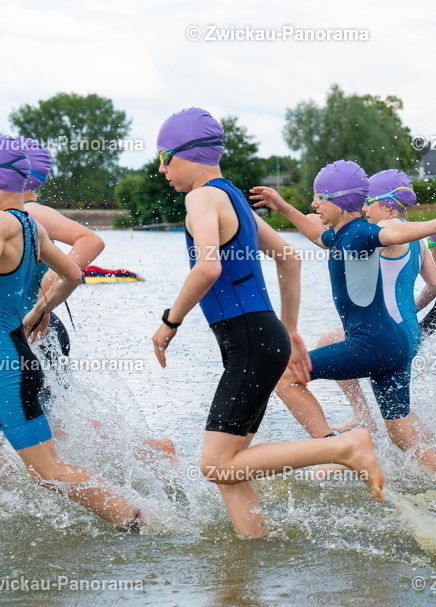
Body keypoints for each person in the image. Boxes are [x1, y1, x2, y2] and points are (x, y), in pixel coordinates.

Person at [150, 110, 383, 539]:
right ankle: (253, 544)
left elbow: (207, 269)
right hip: (263, 338)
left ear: (191, 153)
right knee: (232, 463)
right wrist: (290, 330)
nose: (162, 169)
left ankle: (342, 447)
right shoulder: (233, 197)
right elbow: (288, 258)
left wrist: (170, 322)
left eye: (166, 157)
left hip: (248, 341)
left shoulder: (201, 198)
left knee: (215, 464)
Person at [0, 134, 140, 529]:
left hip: (6, 374)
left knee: (48, 471)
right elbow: (72, 274)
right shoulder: (30, 225)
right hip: (1, 368)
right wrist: (40, 308)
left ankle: (134, 519)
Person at [0, 138, 178, 477]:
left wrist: (46, 296)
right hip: (26, 330)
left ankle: (9, 505)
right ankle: (147, 452)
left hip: (33, 329)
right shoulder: (13, 217)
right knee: (52, 422)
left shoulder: (30, 212)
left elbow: (91, 240)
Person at [251, 160, 436, 483]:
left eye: (319, 198)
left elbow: (394, 230)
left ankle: (336, 450)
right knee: (398, 427)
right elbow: (316, 235)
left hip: (373, 343)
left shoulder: (363, 234)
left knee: (286, 375)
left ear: (339, 201)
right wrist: (283, 206)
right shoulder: (343, 234)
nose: (313, 205)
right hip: (397, 343)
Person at [317, 169, 436, 435]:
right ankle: (429, 445)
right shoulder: (417, 238)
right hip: (408, 328)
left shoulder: (383, 230)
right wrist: (411, 312)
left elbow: (342, 240)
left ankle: (361, 415)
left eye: (368, 203)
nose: (363, 210)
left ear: (385, 204)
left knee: (328, 343)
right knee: (396, 408)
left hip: (385, 329)